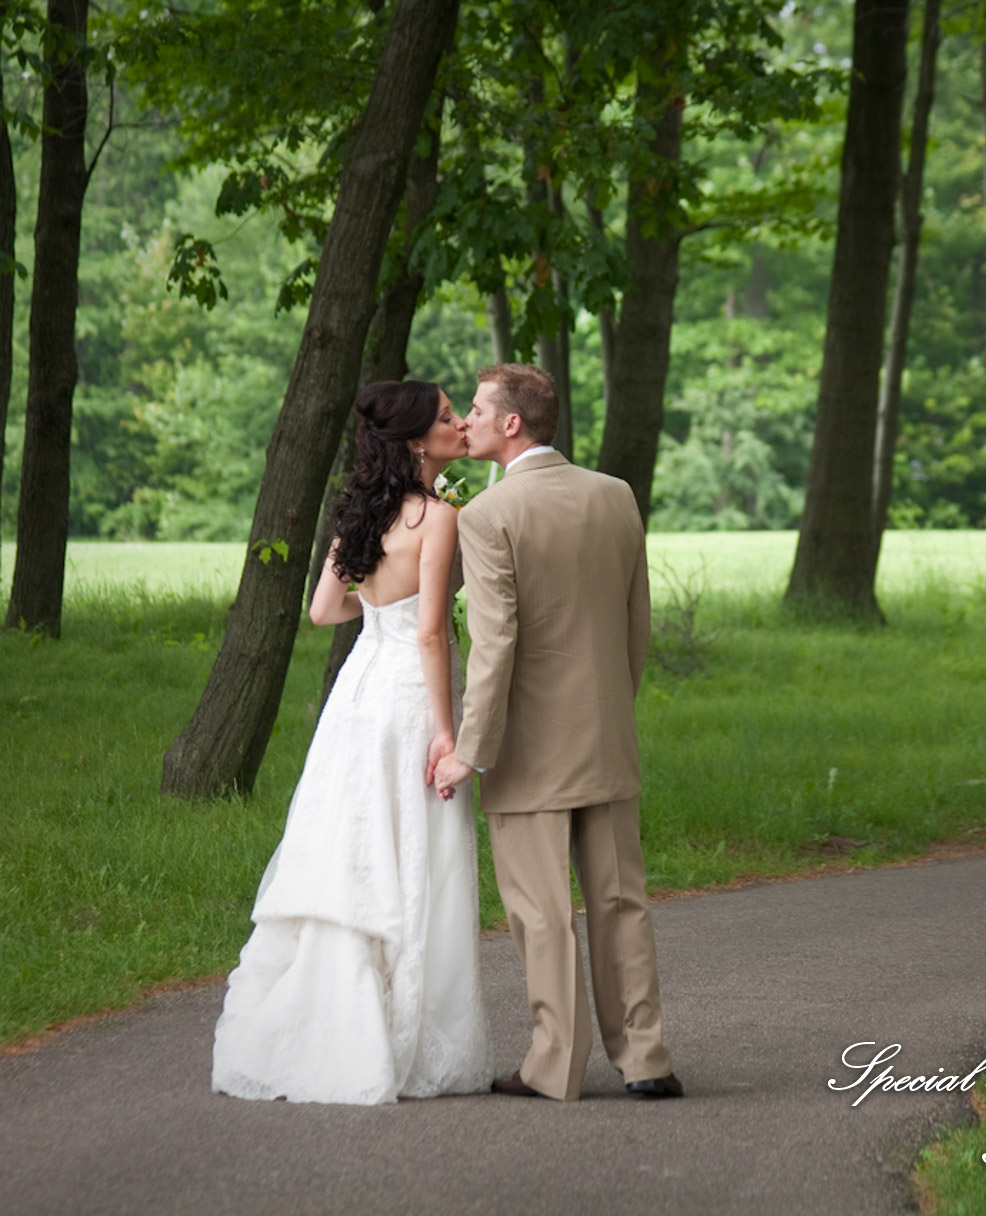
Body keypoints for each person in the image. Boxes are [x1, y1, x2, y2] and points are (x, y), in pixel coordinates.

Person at [211, 380, 494, 1105]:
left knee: (352, 846)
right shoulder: (437, 517)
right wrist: (445, 729)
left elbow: (322, 610)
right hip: (406, 696)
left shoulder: (361, 514)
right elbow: (432, 632)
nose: (456, 423)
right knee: (413, 849)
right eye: (443, 419)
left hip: (358, 691)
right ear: (412, 442)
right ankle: (403, 1031)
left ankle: (325, 1024)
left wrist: (377, 609)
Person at [433, 363, 681, 1102]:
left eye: (477, 408)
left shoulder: (487, 516)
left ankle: (555, 1066)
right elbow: (638, 620)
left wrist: (470, 751)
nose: (467, 419)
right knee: (620, 902)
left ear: (512, 424)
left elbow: (494, 645)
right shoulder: (615, 497)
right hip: (606, 733)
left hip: (528, 749)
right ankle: (646, 1060)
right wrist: (615, 704)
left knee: (541, 912)